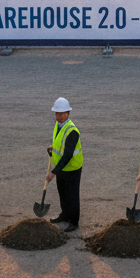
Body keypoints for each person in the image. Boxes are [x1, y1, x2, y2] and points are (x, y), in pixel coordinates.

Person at [47, 97, 82, 232]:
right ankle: (65, 215)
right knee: (62, 193)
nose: (58, 116)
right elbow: (59, 144)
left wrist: (53, 172)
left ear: (68, 113)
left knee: (72, 195)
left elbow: (67, 155)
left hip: (72, 168)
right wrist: (52, 148)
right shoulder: (58, 125)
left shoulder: (72, 131)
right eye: (57, 113)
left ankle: (74, 221)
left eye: (61, 114)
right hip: (61, 167)